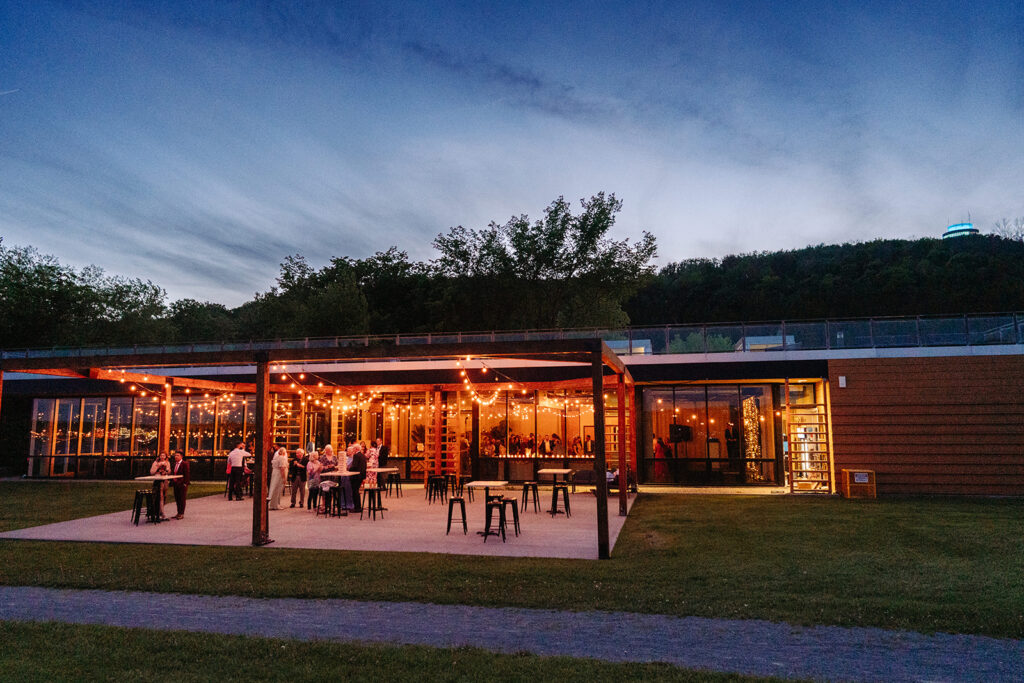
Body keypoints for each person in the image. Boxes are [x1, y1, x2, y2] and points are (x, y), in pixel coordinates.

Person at [150, 451, 171, 519]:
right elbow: (151, 472)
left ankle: (161, 511)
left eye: (164, 455)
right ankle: (160, 512)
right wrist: (157, 467)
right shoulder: (155, 463)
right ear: (159, 456)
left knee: (164, 496)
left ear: (166, 456)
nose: (162, 457)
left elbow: (169, 471)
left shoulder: (167, 463)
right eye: (161, 455)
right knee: (159, 496)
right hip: (158, 481)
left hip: (165, 480)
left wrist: (166, 471)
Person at [170, 450, 190, 519]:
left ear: (181, 456)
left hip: (182, 484)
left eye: (177, 455)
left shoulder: (185, 464)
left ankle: (181, 513)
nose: (176, 457)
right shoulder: (174, 464)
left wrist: (185, 483)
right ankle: (178, 512)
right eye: (175, 455)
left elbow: (187, 474)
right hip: (175, 484)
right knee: (177, 498)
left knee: (182, 499)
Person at [267, 446, 288, 510]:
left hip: (274, 474)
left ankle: (272, 504)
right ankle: (276, 504)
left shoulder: (276, 458)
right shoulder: (282, 459)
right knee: (278, 489)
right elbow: (282, 469)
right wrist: (284, 478)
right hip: (279, 475)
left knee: (273, 488)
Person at [349, 445, 367, 513]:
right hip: (361, 476)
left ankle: (357, 507)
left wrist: (348, 469)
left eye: (353, 448)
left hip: (356, 476)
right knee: (356, 491)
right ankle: (358, 506)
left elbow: (354, 466)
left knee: (355, 491)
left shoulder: (356, 456)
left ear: (356, 449)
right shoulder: (363, 455)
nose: (353, 450)